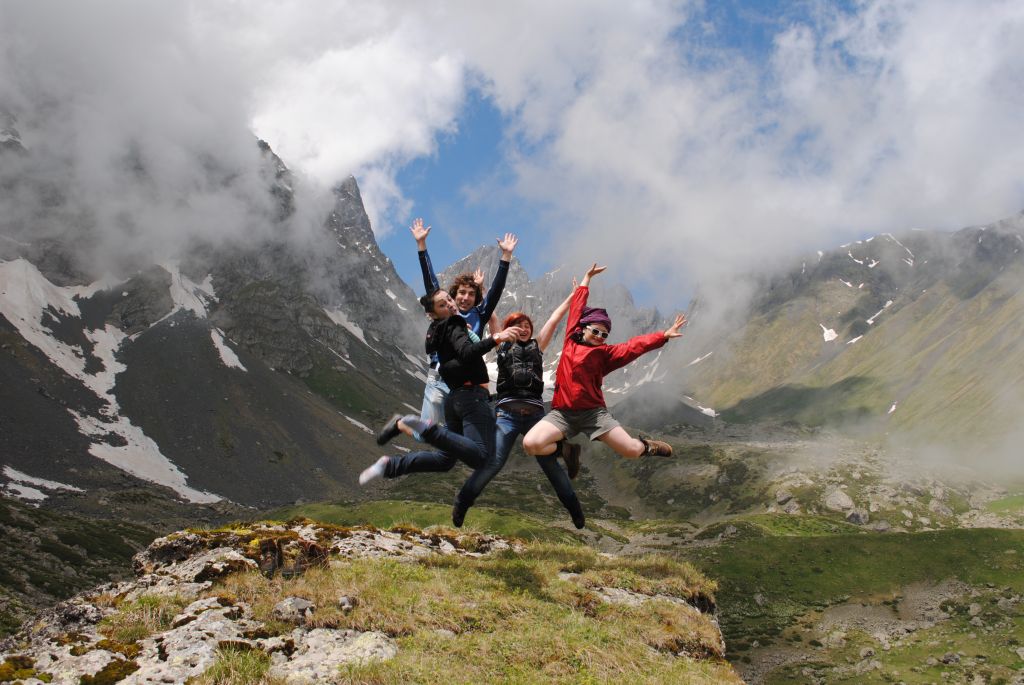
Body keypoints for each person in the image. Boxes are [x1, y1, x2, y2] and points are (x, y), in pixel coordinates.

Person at [359, 287, 523, 494]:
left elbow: (459, 356)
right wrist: (496, 338)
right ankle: (429, 430)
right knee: (481, 457)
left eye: (449, 300)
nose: (450, 304)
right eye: (443, 305)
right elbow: (466, 352)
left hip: (455, 399)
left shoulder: (438, 329)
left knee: (445, 460)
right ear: (434, 313)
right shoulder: (454, 324)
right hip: (470, 398)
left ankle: (390, 466)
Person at [523, 263, 686, 465]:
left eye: (604, 334)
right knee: (531, 444)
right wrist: (586, 279)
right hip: (562, 414)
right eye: (596, 331)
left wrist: (663, 336)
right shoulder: (570, 340)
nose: (600, 336)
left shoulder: (606, 354)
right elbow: (576, 309)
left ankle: (649, 446)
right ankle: (566, 450)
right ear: (583, 328)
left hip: (594, 414)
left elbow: (634, 346)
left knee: (631, 450)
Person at [452, 287, 588, 528]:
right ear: (509, 329)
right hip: (506, 415)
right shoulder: (502, 346)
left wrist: (574, 294)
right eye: (518, 324)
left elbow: (555, 318)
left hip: (536, 416)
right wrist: (484, 293)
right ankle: (463, 501)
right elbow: (492, 315)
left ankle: (574, 508)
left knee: (548, 465)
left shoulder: (538, 346)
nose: (524, 328)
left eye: (527, 325)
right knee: (493, 463)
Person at [411, 218, 516, 423]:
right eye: (461, 293)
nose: (465, 297)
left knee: (460, 437)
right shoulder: (444, 311)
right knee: (425, 432)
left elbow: (496, 291)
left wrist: (506, 256)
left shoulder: (480, 314)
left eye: (470, 294)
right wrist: (421, 245)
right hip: (439, 379)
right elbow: (430, 281)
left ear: (476, 298)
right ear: (453, 294)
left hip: (465, 385)